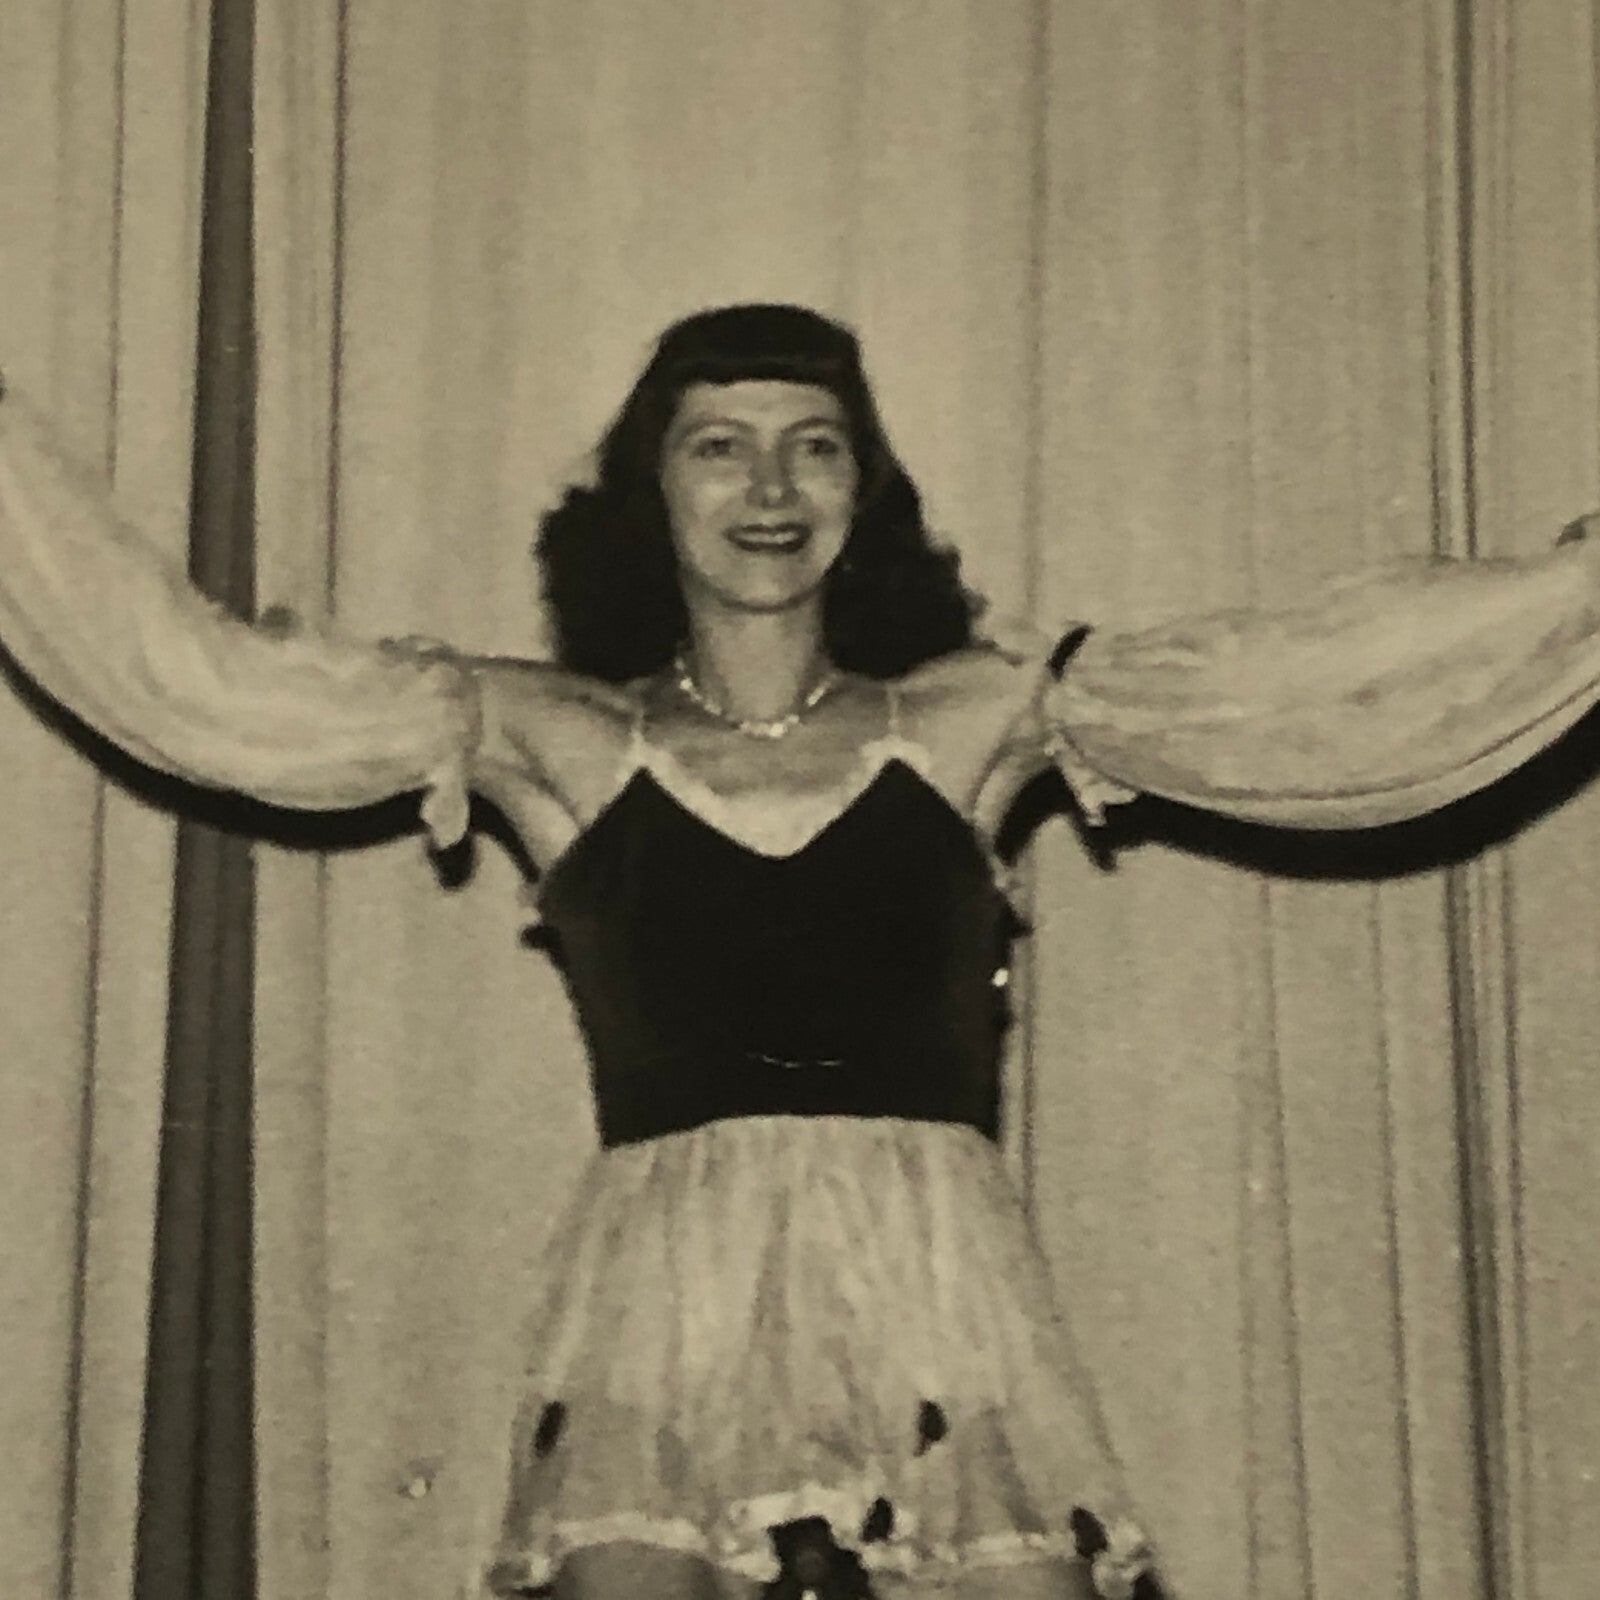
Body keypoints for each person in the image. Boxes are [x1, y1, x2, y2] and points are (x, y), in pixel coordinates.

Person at [2, 303, 1600, 1600]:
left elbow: (1309, 685)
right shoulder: (552, 735)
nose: (770, 490)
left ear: (861, 493)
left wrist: (1569, 594)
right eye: (721, 449)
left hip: (943, 1298)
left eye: (813, 448)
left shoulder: (975, 714)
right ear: (653, 492)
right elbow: (203, 687)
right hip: (658, 1313)